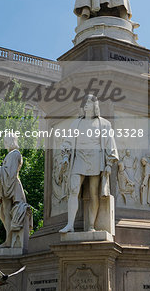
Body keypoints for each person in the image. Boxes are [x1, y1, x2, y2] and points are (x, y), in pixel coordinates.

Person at [59, 94, 119, 233]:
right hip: (79, 158)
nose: (85, 104)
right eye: (84, 102)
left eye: (89, 102)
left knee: (94, 193)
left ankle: (91, 225)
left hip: (96, 158)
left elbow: (110, 143)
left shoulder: (104, 124)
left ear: (95, 105)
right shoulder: (76, 123)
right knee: (73, 190)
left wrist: (109, 164)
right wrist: (65, 156)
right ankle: (70, 225)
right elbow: (68, 141)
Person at [0, 135, 32, 248]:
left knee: (7, 212)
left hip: (12, 185)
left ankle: (9, 240)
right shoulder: (11, 154)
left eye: (6, 141)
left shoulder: (15, 154)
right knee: (4, 213)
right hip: (6, 184)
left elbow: (11, 172)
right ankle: (8, 239)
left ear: (11, 141)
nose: (5, 144)